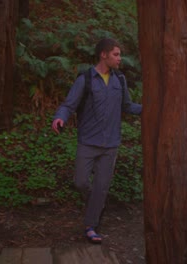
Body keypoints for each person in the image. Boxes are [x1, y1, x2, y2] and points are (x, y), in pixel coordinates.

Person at [51, 38, 142, 244]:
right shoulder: (86, 79)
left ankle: (91, 226)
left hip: (111, 144)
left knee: (101, 187)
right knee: (81, 182)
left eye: (120, 55)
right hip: (88, 142)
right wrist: (59, 117)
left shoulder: (120, 79)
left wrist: (149, 107)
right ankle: (97, 205)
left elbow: (127, 106)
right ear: (104, 54)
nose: (120, 59)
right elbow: (69, 104)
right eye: (116, 54)